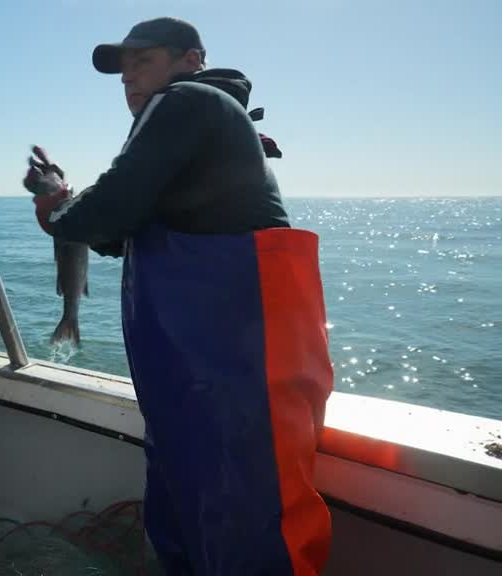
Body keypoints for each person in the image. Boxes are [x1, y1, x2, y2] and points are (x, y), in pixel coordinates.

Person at [23, 17, 334, 576]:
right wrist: (62, 204)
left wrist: (55, 207)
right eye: (122, 72)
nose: (129, 79)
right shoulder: (198, 127)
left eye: (142, 61)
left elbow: (103, 210)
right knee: (195, 525)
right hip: (199, 383)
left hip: (240, 375)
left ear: (191, 59)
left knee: (249, 531)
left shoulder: (185, 100)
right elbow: (119, 233)